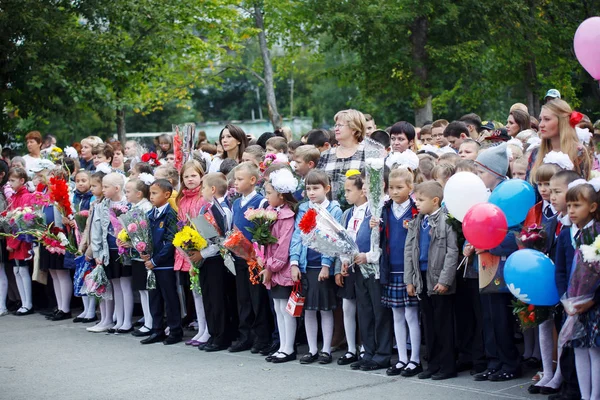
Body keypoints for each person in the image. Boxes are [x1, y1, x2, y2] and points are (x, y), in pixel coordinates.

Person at [470, 143, 521, 382]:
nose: (478, 177)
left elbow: (517, 233)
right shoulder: (485, 196)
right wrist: (469, 243)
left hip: (501, 265)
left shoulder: (509, 196)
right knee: (488, 316)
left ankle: (509, 361)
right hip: (484, 264)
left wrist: (490, 244)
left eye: (481, 172)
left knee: (500, 316)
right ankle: (493, 361)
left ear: (496, 172)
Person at [405, 181, 458, 380]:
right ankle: (433, 363)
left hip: (438, 279)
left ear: (435, 201)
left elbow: (452, 252)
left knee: (443, 324)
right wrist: (409, 279)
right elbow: (409, 251)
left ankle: (447, 365)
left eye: (420, 200)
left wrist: (445, 280)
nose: (416, 203)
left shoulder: (446, 221)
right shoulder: (418, 221)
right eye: (416, 199)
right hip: (422, 278)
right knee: (428, 324)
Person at [290, 170, 342, 364]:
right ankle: (312, 349)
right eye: (308, 188)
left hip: (321, 266)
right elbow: (297, 235)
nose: (311, 192)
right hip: (306, 264)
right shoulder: (304, 208)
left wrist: (326, 264)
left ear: (327, 189)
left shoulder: (333, 210)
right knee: (309, 309)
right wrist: (294, 262)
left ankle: (326, 349)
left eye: (316, 188)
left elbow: (332, 238)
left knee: (325, 308)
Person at [375, 168, 420, 376]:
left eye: (399, 187)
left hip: (409, 269)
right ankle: (401, 358)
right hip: (391, 268)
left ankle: (415, 358)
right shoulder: (384, 209)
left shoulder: (415, 209)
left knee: (412, 315)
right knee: (397, 316)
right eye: (391, 187)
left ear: (410, 188)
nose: (394, 191)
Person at [230, 162, 273, 353]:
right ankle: (245, 335)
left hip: (256, 259)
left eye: (240, 179)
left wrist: (258, 252)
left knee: (258, 299)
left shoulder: (261, 202)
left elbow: (265, 230)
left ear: (253, 180)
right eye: (235, 179)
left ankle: (262, 337)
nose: (236, 183)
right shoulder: (236, 203)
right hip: (240, 257)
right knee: (243, 298)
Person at [563, 182, 600, 400]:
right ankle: (585, 396)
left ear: (593, 207)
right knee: (579, 348)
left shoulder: (596, 234)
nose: (571, 211)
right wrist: (571, 298)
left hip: (594, 303)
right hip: (577, 301)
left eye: (577, 205)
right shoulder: (574, 234)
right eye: (569, 206)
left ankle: (594, 396)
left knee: (595, 351)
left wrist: (592, 299)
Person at [194, 172, 236, 352]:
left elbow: (223, 239)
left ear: (212, 189)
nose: (201, 191)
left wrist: (203, 254)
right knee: (209, 298)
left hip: (218, 260)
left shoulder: (223, 209)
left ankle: (222, 336)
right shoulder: (207, 208)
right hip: (205, 258)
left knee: (218, 299)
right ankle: (213, 333)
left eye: (203, 187)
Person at [259, 168, 298, 363]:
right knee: (278, 308)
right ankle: (282, 345)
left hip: (280, 270)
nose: (266, 197)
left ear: (281, 195)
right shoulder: (270, 212)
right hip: (271, 269)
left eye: (268, 193)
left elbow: (283, 247)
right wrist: (263, 261)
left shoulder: (287, 216)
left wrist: (271, 266)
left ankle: (289, 348)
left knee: (286, 309)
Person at [549, 170, 582, 399]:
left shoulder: (590, 232)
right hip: (567, 298)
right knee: (565, 341)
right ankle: (568, 386)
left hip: (586, 299)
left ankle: (582, 389)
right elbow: (560, 268)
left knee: (582, 346)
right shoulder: (564, 230)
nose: (551, 196)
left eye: (557, 192)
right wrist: (564, 295)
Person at [139, 179, 182, 345]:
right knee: (154, 297)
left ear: (167, 194)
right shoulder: (150, 214)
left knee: (169, 297)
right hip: (151, 264)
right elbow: (144, 237)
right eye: (150, 193)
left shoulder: (170, 214)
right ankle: (157, 329)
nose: (151, 197)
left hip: (164, 265)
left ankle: (175, 330)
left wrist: (155, 260)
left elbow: (171, 240)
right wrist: (143, 252)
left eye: (155, 193)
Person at [175, 161, 210, 347]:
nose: (189, 179)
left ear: (201, 177)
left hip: (202, 250)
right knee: (195, 292)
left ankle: (208, 329)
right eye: (186, 176)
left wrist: (198, 248)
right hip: (188, 251)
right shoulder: (182, 199)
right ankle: (201, 328)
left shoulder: (203, 198)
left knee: (203, 292)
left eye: (193, 176)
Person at [93, 172, 133, 334]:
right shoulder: (101, 206)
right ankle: (118, 320)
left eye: (105, 187)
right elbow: (96, 230)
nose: (102, 190)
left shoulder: (128, 204)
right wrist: (97, 252)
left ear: (117, 188)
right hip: (108, 250)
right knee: (115, 285)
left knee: (125, 285)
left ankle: (127, 321)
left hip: (124, 251)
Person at [528, 99, 590, 181]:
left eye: (547, 119)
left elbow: (581, 189)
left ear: (562, 121)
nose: (541, 125)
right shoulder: (536, 153)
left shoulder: (578, 152)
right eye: (540, 119)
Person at [123, 178, 154, 337]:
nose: (125, 194)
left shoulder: (146, 208)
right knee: (142, 290)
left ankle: (151, 322)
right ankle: (147, 321)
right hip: (137, 256)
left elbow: (146, 232)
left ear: (139, 193)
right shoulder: (134, 207)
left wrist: (136, 243)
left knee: (148, 290)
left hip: (145, 256)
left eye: (128, 191)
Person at [317, 110, 366, 208]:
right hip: (329, 213)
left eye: (340, 125)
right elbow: (317, 182)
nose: (336, 129)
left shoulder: (367, 153)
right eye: (335, 125)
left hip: (358, 212)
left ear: (354, 129)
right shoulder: (326, 155)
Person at [6, 168, 35, 316]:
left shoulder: (25, 197)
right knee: (16, 270)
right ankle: (23, 302)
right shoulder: (15, 197)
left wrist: (13, 243)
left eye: (13, 180)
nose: (10, 183)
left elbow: (23, 222)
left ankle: (28, 303)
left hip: (22, 240)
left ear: (22, 180)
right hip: (14, 239)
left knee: (22, 270)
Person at [83, 171, 108, 331]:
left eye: (95, 185)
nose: (91, 189)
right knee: (100, 285)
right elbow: (89, 228)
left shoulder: (104, 204)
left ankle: (108, 318)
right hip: (94, 248)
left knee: (105, 287)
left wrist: (95, 251)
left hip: (100, 250)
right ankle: (103, 317)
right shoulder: (95, 203)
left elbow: (101, 231)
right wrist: (83, 246)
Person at [70, 170, 95, 323]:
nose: (80, 183)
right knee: (80, 275)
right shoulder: (75, 197)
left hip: (88, 239)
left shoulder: (91, 198)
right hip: (77, 238)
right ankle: (85, 309)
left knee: (88, 277)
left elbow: (88, 218)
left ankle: (91, 310)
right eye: (78, 180)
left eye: (84, 180)